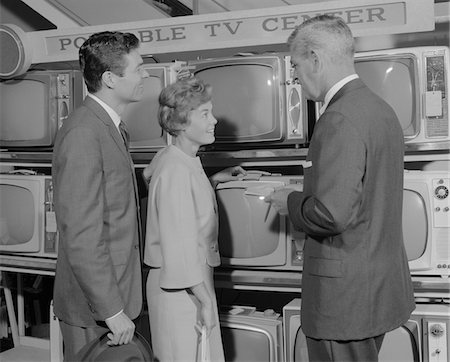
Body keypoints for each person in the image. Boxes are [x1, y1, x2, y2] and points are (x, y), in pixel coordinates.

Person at [269, 15, 415, 361]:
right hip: (376, 289)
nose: (295, 79)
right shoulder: (380, 110)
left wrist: (288, 200)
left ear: (315, 59)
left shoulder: (338, 118)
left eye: (296, 66)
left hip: (344, 299)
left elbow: (332, 214)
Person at [52, 31, 148, 361]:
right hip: (95, 310)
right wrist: (110, 309)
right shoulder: (83, 132)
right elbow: (81, 233)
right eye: (138, 68)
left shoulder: (111, 127)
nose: (145, 75)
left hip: (116, 297)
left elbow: (113, 201)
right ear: (110, 78)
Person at [142, 77, 246, 362]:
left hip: (188, 283)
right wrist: (205, 300)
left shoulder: (179, 159)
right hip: (182, 287)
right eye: (205, 114)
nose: (214, 120)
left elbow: (182, 210)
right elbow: (179, 246)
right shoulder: (176, 170)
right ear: (181, 122)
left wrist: (211, 183)